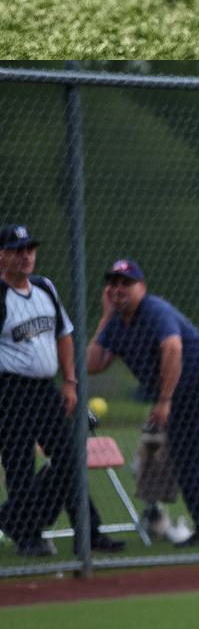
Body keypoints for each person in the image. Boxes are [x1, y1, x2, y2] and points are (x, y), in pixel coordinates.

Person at [87, 258, 199, 547]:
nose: (118, 288)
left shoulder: (153, 309)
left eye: (126, 282)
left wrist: (163, 400)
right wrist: (105, 317)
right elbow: (93, 365)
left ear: (142, 287)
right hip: (182, 396)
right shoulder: (116, 325)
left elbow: (172, 348)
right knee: (185, 458)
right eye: (113, 283)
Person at [0, 225, 124, 555]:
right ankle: (28, 538)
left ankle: (89, 532)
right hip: (10, 392)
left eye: (29, 248)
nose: (26, 255)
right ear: (2, 256)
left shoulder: (44, 287)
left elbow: (64, 334)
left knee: (69, 459)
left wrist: (70, 381)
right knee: (20, 466)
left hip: (46, 389)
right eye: (16, 249)